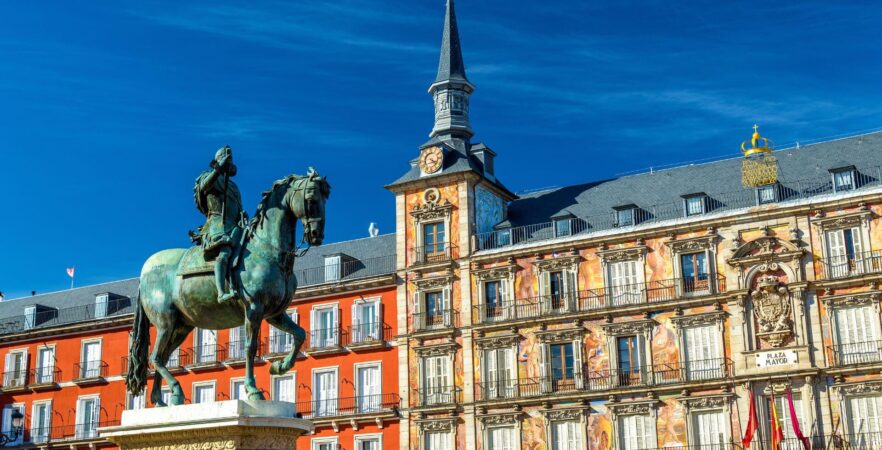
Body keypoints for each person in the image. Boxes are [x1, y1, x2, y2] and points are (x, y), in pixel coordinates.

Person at [193, 146, 243, 304]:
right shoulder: (208, 176)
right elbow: (204, 187)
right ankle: (222, 292)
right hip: (216, 223)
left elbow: (239, 208)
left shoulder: (234, 187)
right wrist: (219, 168)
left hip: (235, 225)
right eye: (226, 159)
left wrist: (243, 215)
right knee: (225, 250)